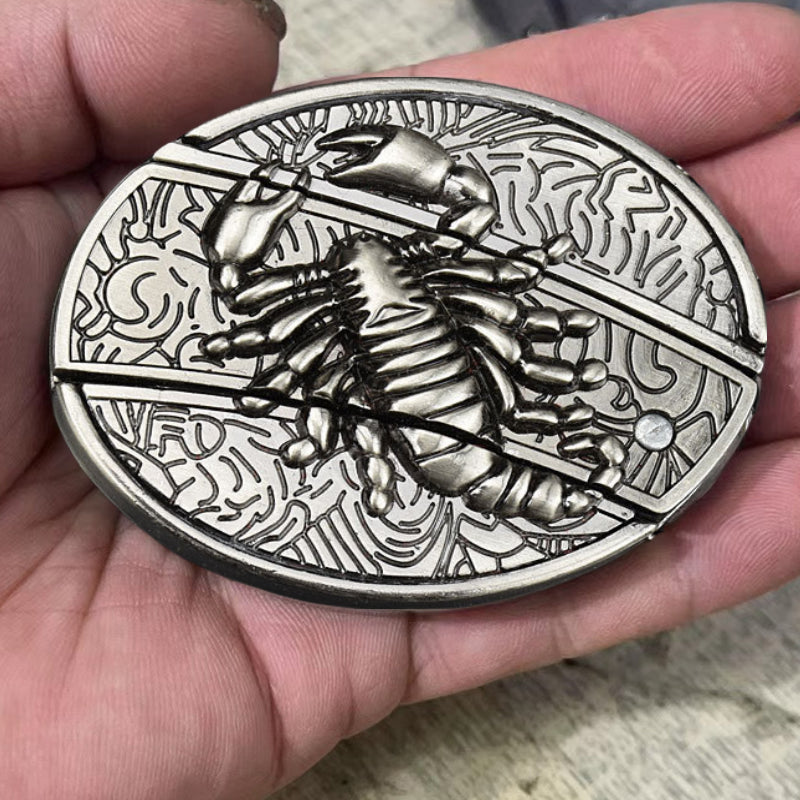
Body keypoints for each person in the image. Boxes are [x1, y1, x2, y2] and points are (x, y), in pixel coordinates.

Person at [1, 1, 798, 797]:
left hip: (449, 411)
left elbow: (243, 290)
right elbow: (466, 233)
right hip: (442, 419)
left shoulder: (331, 292)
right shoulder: (412, 270)